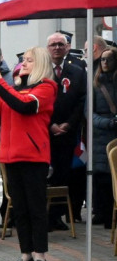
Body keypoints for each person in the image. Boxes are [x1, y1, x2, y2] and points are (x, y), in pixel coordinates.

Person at [0, 47, 56, 261]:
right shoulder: (16, 87)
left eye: (29, 60)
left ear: (40, 64)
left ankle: (40, 256)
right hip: (10, 154)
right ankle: (25, 254)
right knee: (19, 208)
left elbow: (25, 106)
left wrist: (1, 85)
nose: (24, 63)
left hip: (33, 154)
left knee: (35, 207)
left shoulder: (46, 87)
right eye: (24, 60)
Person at [45, 32, 87, 231]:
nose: (57, 48)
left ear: (67, 47)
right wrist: (51, 124)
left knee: (63, 174)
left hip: (67, 132)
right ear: (48, 48)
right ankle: (45, 215)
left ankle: (58, 215)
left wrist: (68, 125)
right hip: (45, 132)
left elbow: (80, 101)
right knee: (47, 175)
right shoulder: (42, 70)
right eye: (53, 44)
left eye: (60, 44)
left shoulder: (77, 71)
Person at [91, 47, 117, 227]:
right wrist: (105, 123)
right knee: (102, 178)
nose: (105, 63)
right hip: (101, 134)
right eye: (102, 59)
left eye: (109, 59)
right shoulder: (95, 84)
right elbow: (89, 113)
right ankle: (104, 215)